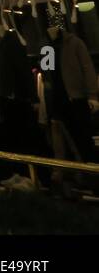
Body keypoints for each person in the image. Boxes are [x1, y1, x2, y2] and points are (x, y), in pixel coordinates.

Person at [46, 9, 99, 161]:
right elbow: (48, 71)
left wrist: (92, 95)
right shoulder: (48, 46)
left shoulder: (74, 43)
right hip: (58, 98)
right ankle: (77, 172)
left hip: (76, 98)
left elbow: (87, 68)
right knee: (64, 139)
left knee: (82, 136)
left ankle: (90, 168)